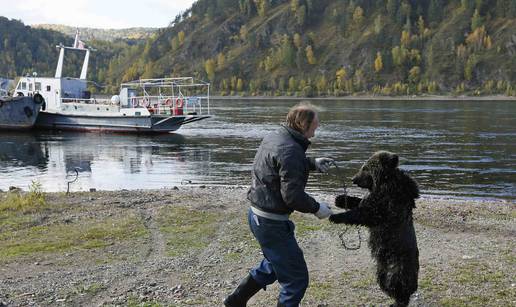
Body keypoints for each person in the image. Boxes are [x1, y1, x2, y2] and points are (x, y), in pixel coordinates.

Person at [224, 103, 334, 307]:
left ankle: (235, 301)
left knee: (274, 265)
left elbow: (279, 163)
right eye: (315, 126)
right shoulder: (290, 149)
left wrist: (312, 163)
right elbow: (292, 197)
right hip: (270, 222)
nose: (316, 130)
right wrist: (317, 208)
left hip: (259, 215)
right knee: (296, 278)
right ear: (302, 124)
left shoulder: (277, 136)